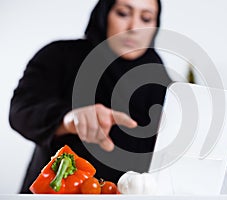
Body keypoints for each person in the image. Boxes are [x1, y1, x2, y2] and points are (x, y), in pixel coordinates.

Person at [9, 0, 172, 194]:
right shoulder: (60, 55)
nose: (134, 27)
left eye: (146, 18)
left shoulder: (157, 74)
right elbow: (21, 111)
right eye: (123, 13)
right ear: (104, 14)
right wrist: (68, 119)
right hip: (56, 192)